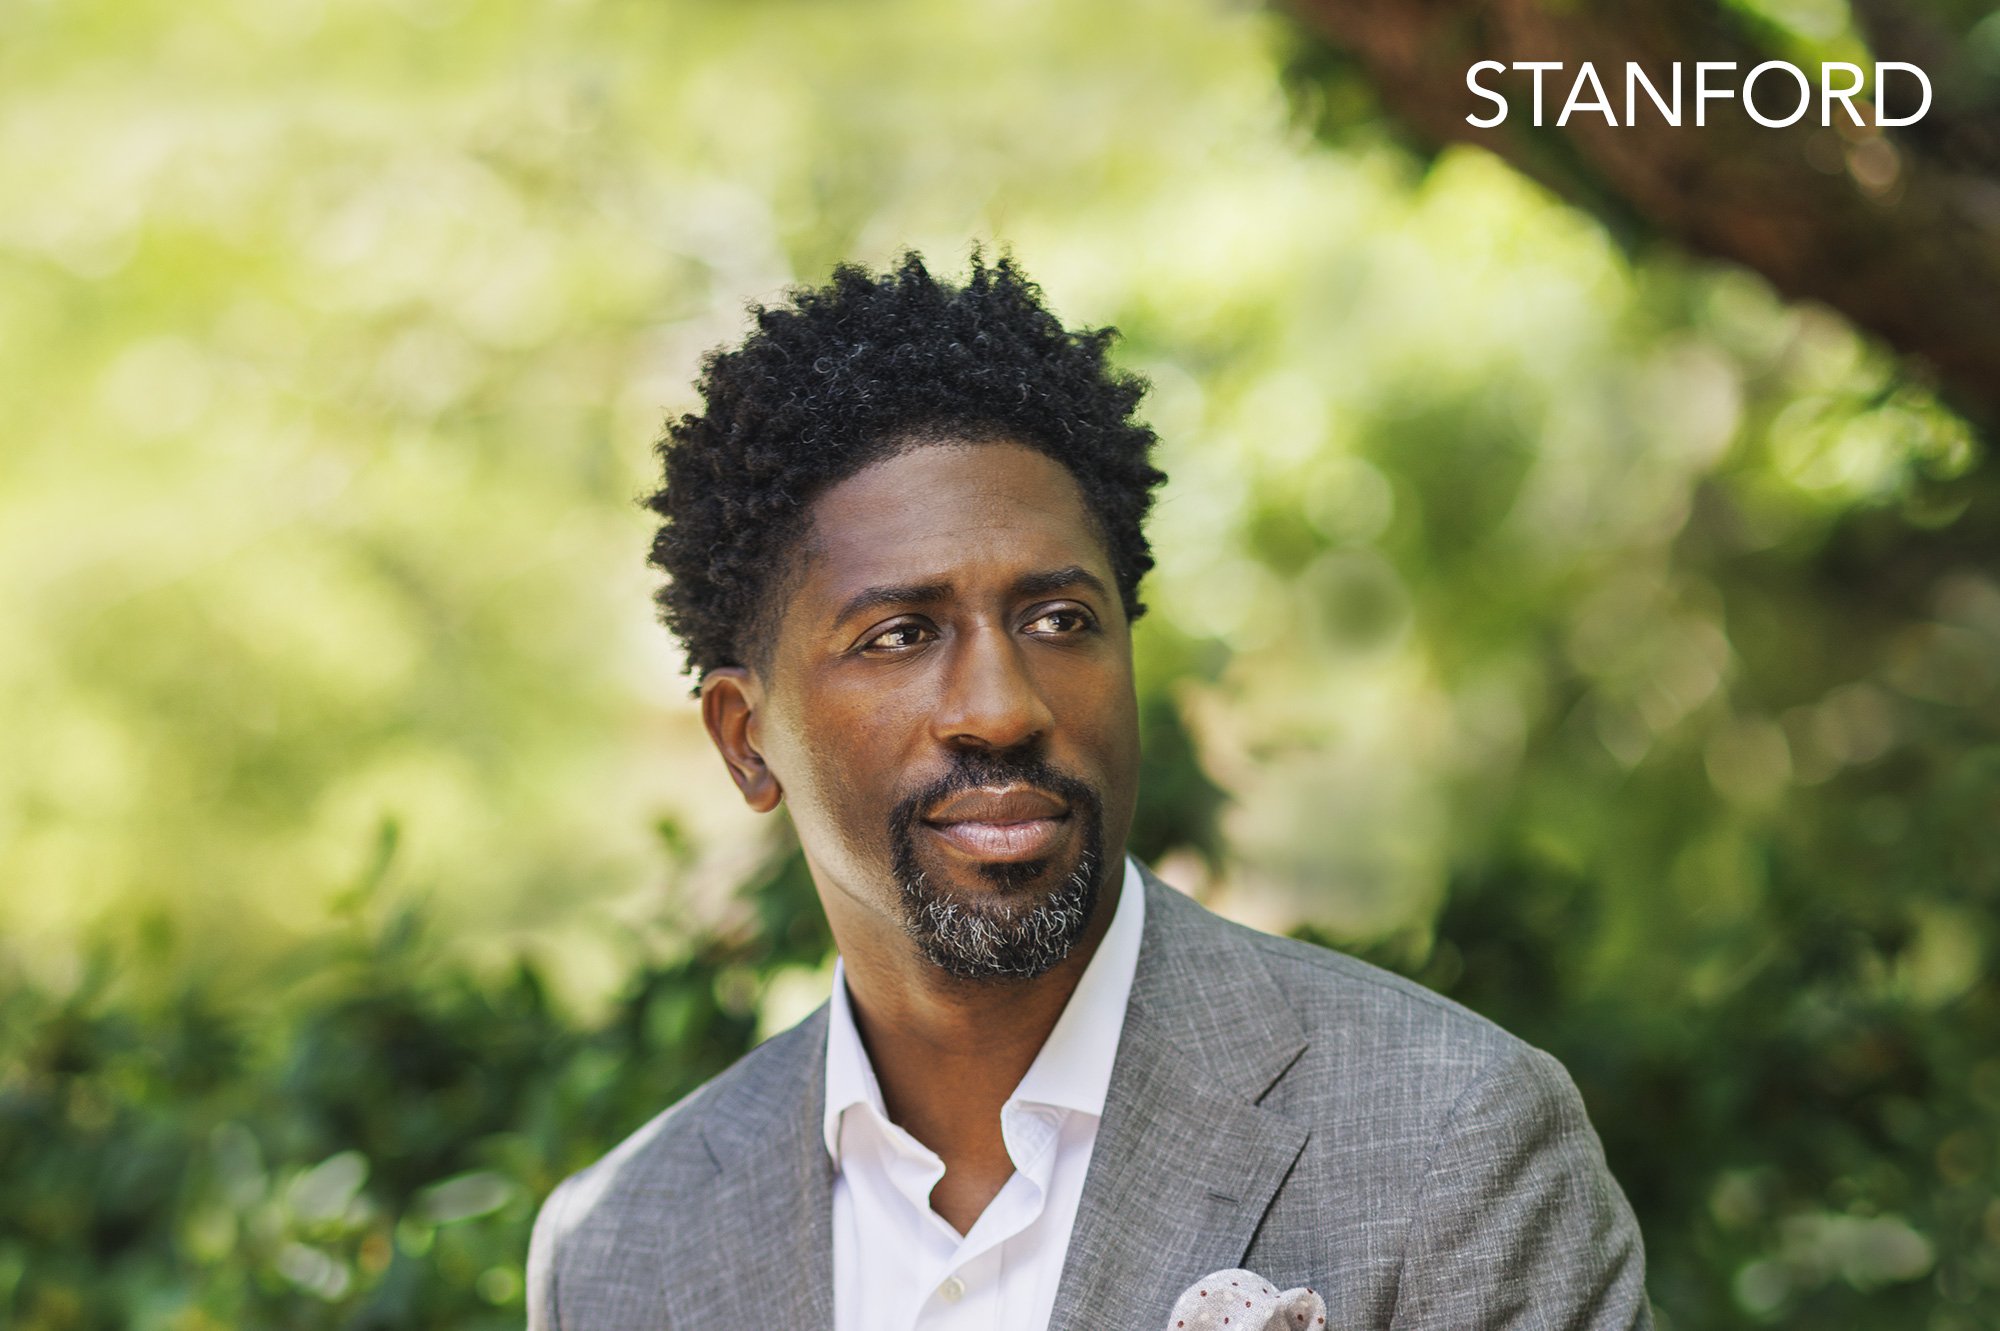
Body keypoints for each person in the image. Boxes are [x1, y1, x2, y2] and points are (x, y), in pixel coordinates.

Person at [525, 253, 1651, 1330]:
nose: (1002, 706)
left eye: (1057, 620)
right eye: (901, 633)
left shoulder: (1448, 1135)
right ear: (744, 739)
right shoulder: (623, 1247)